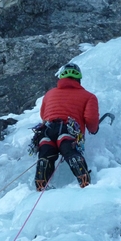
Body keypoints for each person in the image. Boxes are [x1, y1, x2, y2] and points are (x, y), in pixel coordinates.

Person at [35, 63, 99, 191]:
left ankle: (42, 178)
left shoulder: (49, 94)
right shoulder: (89, 96)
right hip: (68, 130)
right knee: (70, 151)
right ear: (79, 79)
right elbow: (91, 119)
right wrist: (93, 129)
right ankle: (83, 178)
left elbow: (43, 115)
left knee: (46, 152)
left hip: (46, 131)